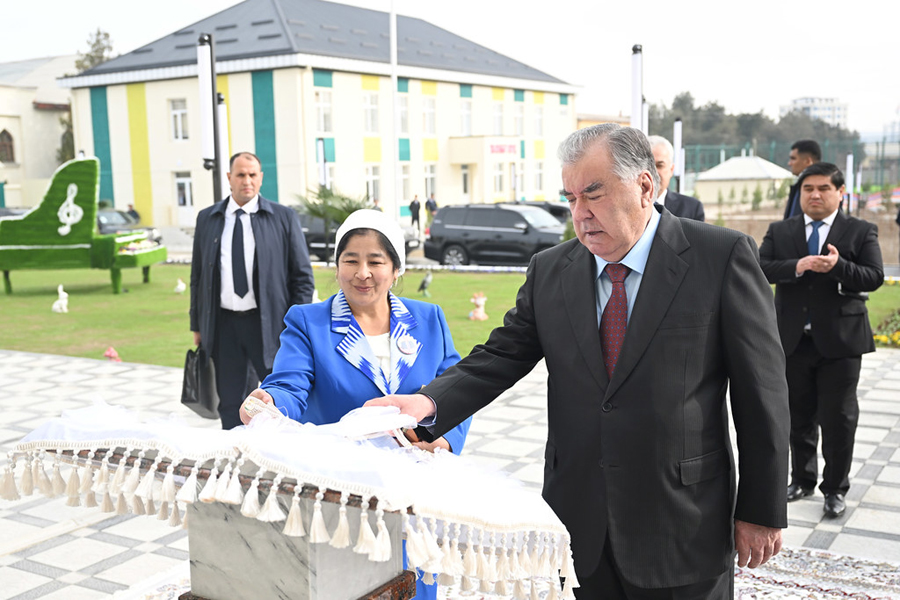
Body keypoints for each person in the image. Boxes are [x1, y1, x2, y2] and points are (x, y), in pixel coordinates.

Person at [367, 124, 790, 599]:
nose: (580, 214)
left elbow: (763, 393)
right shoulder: (551, 269)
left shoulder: (720, 256)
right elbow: (502, 353)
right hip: (581, 520)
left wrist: (761, 508)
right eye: (570, 198)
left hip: (682, 519)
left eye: (594, 193)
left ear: (644, 186)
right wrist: (428, 403)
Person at [239, 209, 471, 600]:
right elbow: (290, 384)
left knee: (415, 584)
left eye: (375, 262)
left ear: (395, 269)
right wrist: (270, 400)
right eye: (351, 261)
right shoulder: (309, 322)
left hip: (416, 492)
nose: (362, 273)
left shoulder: (428, 319)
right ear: (337, 266)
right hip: (343, 493)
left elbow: (456, 391)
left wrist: (444, 438)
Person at [759, 162, 883, 519]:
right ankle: (802, 479)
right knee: (797, 415)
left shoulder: (860, 230)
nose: (815, 195)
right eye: (808, 189)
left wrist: (838, 267)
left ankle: (835, 489)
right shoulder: (781, 230)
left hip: (841, 343)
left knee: (838, 418)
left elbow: (874, 276)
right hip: (792, 340)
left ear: (840, 193)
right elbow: (760, 267)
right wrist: (797, 266)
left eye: (823, 188)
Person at [190, 152, 315, 430]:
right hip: (223, 326)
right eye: (240, 175)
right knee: (230, 402)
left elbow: (303, 278)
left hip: (270, 325)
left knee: (279, 398)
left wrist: (295, 325)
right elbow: (197, 276)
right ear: (229, 178)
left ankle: (281, 451)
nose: (247, 180)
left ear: (260, 178)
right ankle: (235, 452)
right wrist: (196, 324)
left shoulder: (283, 217)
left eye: (252, 175)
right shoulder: (208, 218)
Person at [647, 135, 705, 221]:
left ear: (671, 169)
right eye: (648, 165)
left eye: (660, 165)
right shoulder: (628, 207)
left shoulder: (691, 209)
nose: (654, 172)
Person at [783, 140, 821, 219]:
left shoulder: (821, 190)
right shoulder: (798, 186)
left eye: (793, 159)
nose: (789, 163)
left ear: (808, 161)